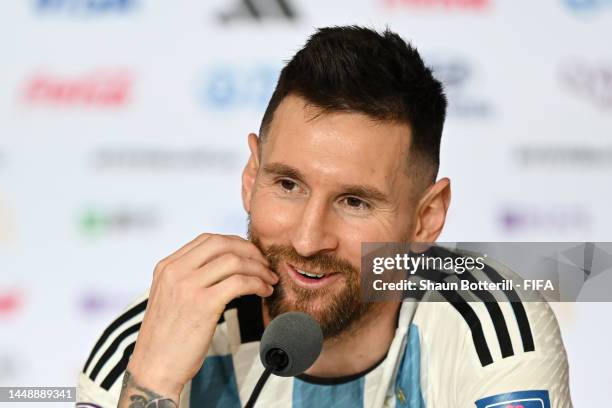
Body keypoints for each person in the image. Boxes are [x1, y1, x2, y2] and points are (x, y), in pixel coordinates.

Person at [77, 26, 572, 407]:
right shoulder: (148, 339)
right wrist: (153, 383)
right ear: (252, 177)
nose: (310, 239)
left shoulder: (492, 322)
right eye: (288, 185)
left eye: (354, 202)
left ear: (426, 219)